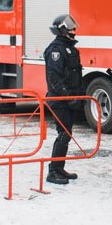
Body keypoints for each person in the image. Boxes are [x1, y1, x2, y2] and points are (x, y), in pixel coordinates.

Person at [44, 13, 83, 186]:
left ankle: (59, 168)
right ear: (61, 30)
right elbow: (54, 77)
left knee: (66, 133)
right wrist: (67, 96)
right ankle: (53, 171)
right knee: (64, 134)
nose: (73, 29)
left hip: (68, 99)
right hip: (59, 99)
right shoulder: (56, 50)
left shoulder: (69, 48)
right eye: (70, 26)